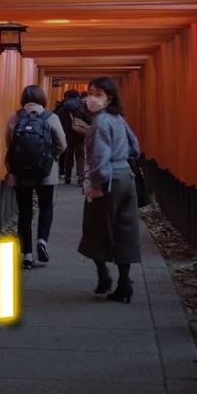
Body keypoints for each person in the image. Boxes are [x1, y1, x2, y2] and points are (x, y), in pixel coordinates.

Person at [77, 77, 144, 303]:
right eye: (90, 92)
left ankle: (104, 275)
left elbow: (100, 158)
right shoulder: (119, 119)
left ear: (109, 98)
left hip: (109, 181)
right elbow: (135, 147)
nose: (92, 98)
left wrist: (96, 185)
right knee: (125, 229)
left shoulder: (100, 122)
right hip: (127, 177)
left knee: (96, 228)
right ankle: (124, 282)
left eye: (98, 94)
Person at [5, 84, 67, 269]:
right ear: (43, 99)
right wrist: (50, 157)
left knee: (24, 212)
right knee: (46, 206)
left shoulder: (15, 118)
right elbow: (62, 144)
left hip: (20, 173)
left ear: (23, 99)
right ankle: (42, 241)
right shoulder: (51, 117)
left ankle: (27, 255)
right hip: (45, 173)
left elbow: (9, 144)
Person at [55, 89, 91, 185]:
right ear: (77, 96)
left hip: (67, 134)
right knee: (80, 155)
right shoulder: (82, 106)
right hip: (79, 133)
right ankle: (80, 177)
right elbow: (88, 119)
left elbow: (57, 119)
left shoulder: (63, 107)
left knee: (68, 155)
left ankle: (67, 177)